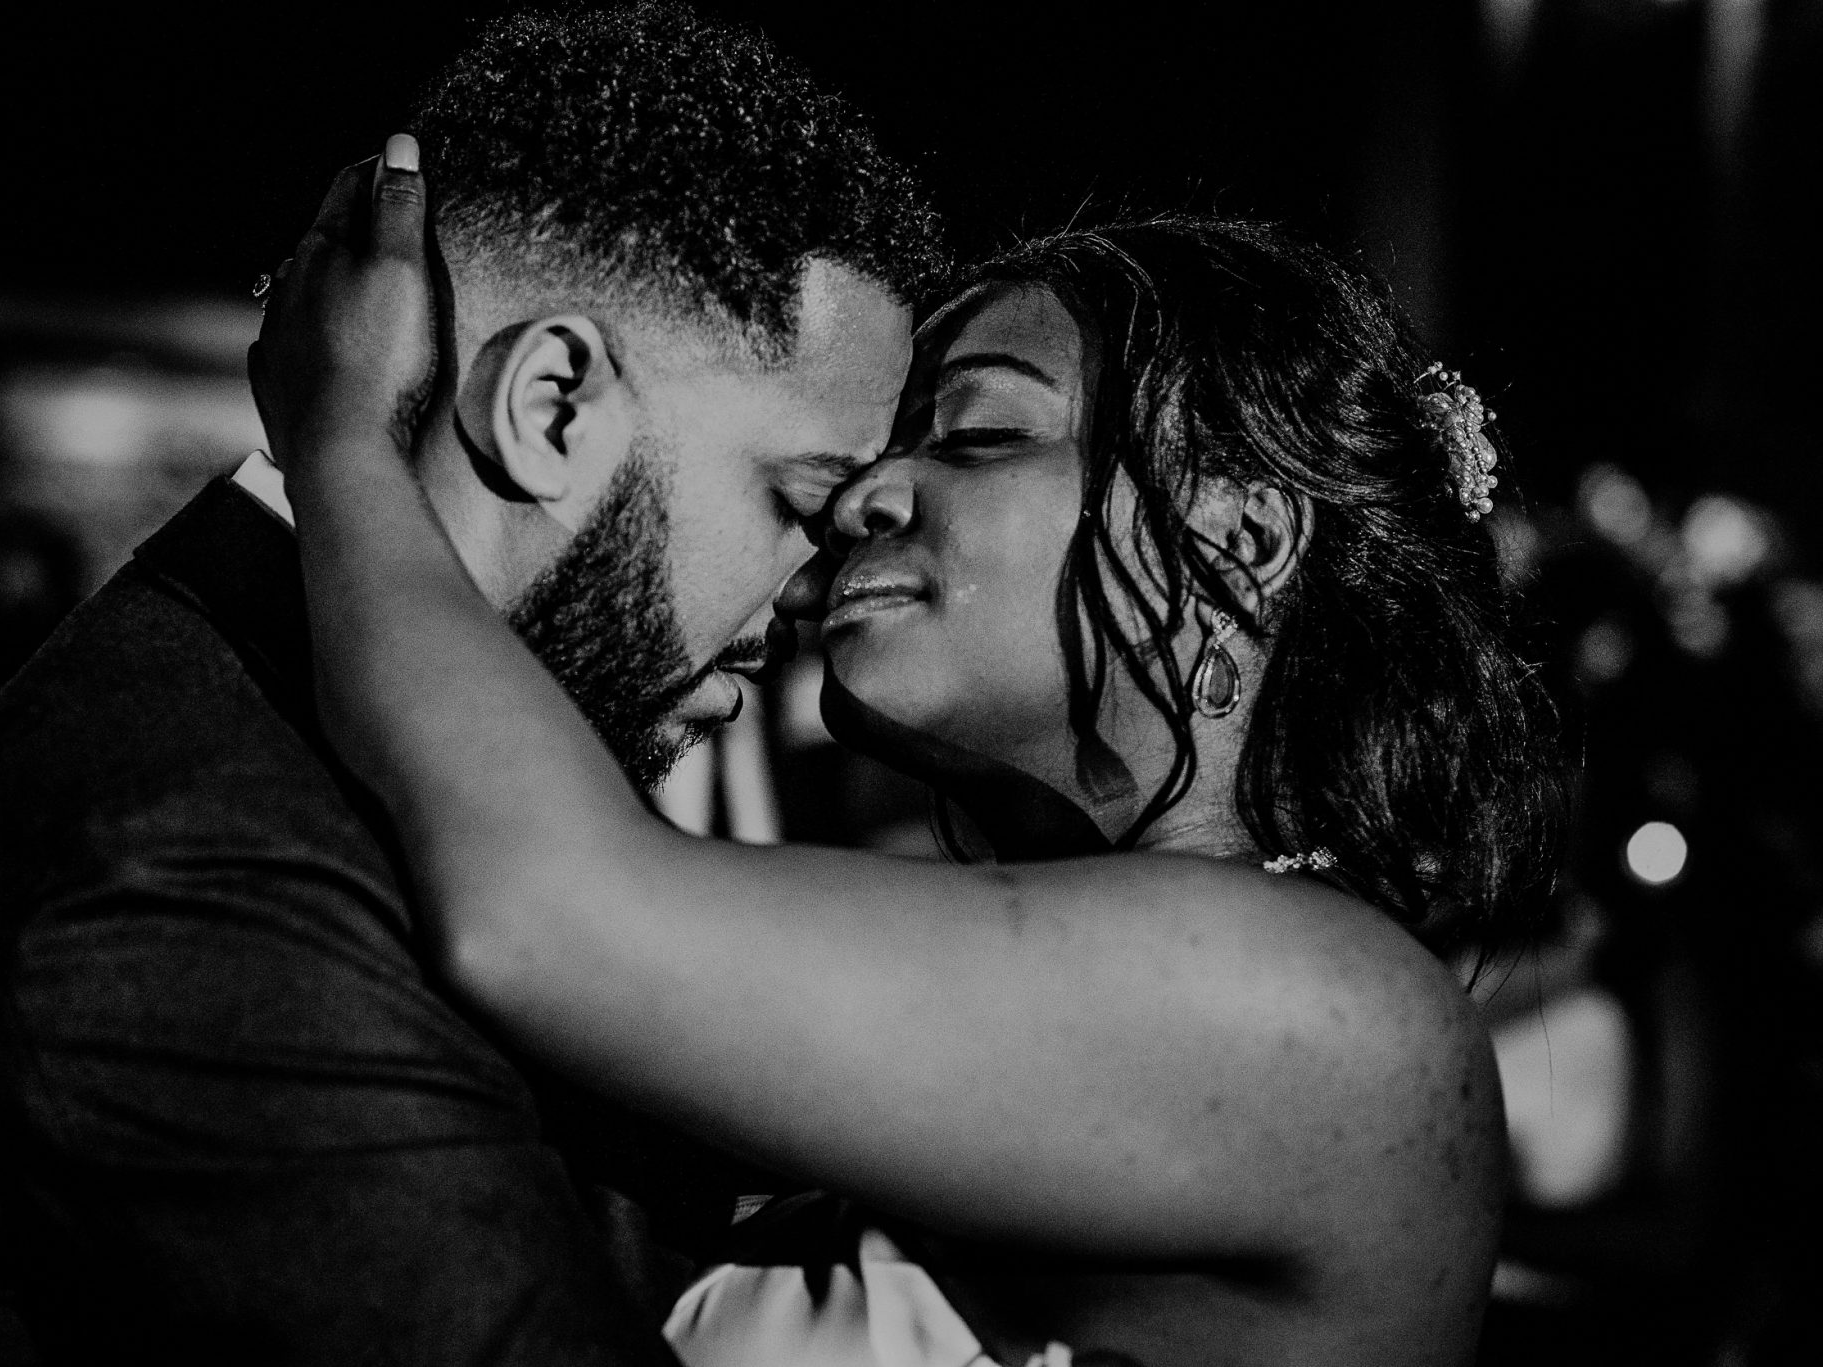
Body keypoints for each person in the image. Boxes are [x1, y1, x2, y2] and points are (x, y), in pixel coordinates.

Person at [253, 148, 1565, 1363]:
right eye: (886, 451)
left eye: (983, 435)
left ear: (1241, 537)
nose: (863, 500)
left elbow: (542, 916)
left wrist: (345, 443)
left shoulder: (1331, 1015)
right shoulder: (999, 991)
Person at [0, 6, 943, 1364]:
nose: (813, 586)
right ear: (550, 405)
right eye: (798, 499)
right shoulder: (194, 872)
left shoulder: (285, 735)